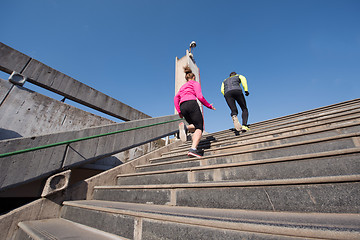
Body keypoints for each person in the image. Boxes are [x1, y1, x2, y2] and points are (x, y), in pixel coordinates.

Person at [174, 66, 216, 158]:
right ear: (193, 77)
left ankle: (186, 128)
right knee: (200, 127)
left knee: (195, 125)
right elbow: (200, 97)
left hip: (183, 106)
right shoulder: (195, 83)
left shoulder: (183, 87)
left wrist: (179, 111)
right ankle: (193, 149)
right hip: (191, 103)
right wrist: (209, 106)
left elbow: (176, 98)